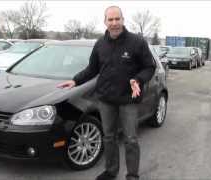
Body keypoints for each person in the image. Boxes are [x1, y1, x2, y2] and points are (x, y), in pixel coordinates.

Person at [57, 6, 156, 180]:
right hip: (106, 99)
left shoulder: (137, 42)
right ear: (105, 22)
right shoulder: (100, 44)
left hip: (128, 100)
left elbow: (149, 67)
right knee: (109, 137)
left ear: (123, 20)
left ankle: (132, 175)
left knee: (131, 139)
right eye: (110, 20)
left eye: (117, 19)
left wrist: (138, 79)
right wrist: (75, 80)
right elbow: (92, 69)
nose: (114, 23)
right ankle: (111, 171)